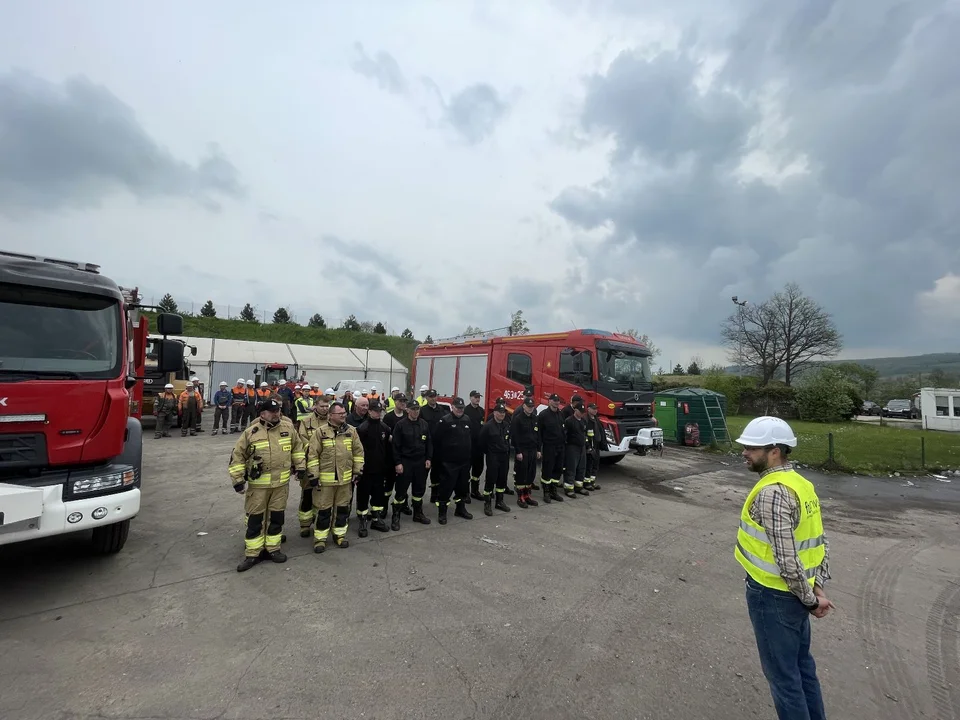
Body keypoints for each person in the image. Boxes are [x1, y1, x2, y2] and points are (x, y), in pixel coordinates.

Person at [734, 416, 833, 720]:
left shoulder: (772, 492)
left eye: (751, 447)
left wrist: (810, 600)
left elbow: (788, 559)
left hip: (774, 596)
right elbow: (818, 543)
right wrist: (816, 586)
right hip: (795, 595)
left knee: (784, 680)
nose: (744, 452)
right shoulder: (801, 484)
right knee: (803, 670)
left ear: (774, 450)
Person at [228, 399, 306, 572]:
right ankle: (253, 554)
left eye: (278, 410)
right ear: (262, 414)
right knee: (255, 520)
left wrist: (300, 466)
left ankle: (273, 549)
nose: (276, 413)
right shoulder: (251, 432)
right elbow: (237, 456)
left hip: (280, 485)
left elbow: (298, 448)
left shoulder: (288, 429)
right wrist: (238, 480)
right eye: (272, 411)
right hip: (258, 487)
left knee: (276, 518)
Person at [305, 401, 364, 553]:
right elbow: (312, 455)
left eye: (344, 413)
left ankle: (339, 535)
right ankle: (320, 539)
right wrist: (313, 475)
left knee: (342, 510)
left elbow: (358, 453)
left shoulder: (351, 431)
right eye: (340, 413)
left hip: (345, 481)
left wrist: (357, 471)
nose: (344, 415)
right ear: (331, 415)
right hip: (325, 482)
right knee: (323, 511)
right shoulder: (320, 432)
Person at [431, 397, 474, 524]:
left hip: (464, 461)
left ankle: (460, 509)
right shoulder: (445, 421)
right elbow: (436, 439)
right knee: (446, 489)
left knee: (462, 488)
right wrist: (440, 460)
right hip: (448, 462)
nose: (460, 410)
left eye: (462, 408)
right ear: (452, 407)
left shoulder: (467, 419)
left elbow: (470, 437)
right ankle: (442, 513)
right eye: (457, 408)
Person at [391, 401, 432, 529]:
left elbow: (429, 443)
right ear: (407, 410)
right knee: (401, 490)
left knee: (419, 490)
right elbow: (395, 446)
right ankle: (396, 516)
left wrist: (428, 458)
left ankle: (418, 514)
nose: (416, 411)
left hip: (420, 462)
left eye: (417, 409)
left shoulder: (424, 424)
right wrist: (398, 463)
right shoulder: (400, 425)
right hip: (406, 462)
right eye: (413, 409)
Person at [355, 399, 392, 535]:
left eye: (380, 411)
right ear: (369, 412)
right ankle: (362, 521)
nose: (378, 414)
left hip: (380, 469)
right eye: (375, 411)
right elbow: (357, 450)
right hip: (366, 470)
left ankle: (376, 519)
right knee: (363, 496)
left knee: (378, 496)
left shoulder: (385, 428)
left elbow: (388, 448)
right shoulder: (362, 429)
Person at [295, 396, 330, 537]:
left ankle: (319, 522)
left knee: (322, 496)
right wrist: (318, 449)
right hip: (310, 464)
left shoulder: (332, 421)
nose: (325, 409)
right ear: (315, 405)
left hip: (327, 465)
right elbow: (302, 441)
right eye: (322, 406)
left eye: (327, 406)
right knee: (308, 495)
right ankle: (304, 524)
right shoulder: (306, 422)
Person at [478, 399, 511, 516]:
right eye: (500, 412)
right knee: (491, 479)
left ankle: (499, 501)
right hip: (493, 457)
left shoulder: (506, 425)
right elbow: (481, 442)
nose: (502, 414)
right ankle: (487, 504)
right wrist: (490, 452)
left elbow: (508, 439)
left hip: (504, 456)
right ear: (495, 413)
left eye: (503, 412)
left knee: (502, 479)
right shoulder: (488, 426)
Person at [510, 396, 541, 508]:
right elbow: (515, 437)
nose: (530, 408)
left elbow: (538, 435)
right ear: (523, 406)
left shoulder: (534, 418)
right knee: (521, 473)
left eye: (532, 406)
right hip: (522, 451)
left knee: (531, 473)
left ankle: (527, 495)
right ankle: (520, 496)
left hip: (532, 450)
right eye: (528, 406)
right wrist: (518, 451)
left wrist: (538, 449)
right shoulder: (518, 419)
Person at [537, 394, 565, 503]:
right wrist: (538, 448)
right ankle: (546, 492)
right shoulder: (543, 415)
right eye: (554, 400)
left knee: (558, 469)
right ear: (549, 401)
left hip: (560, 447)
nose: (556, 402)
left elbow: (563, 430)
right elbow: (539, 433)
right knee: (547, 469)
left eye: (558, 401)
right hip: (549, 446)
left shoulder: (560, 414)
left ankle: (554, 491)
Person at [562, 402, 589, 498]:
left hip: (581, 447)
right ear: (575, 410)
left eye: (583, 412)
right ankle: (569, 488)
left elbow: (584, 434)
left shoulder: (583, 421)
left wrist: (587, 445)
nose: (582, 414)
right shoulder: (569, 421)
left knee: (581, 467)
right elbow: (564, 435)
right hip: (572, 447)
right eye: (580, 411)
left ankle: (578, 486)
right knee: (571, 468)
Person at [463, 390, 485, 503]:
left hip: (479, 446)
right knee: (466, 470)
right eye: (475, 397)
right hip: (468, 445)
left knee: (478, 468)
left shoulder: (482, 411)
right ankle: (465, 493)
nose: (477, 399)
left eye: (479, 397)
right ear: (470, 397)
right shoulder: (466, 411)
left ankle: (475, 491)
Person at [583, 403, 607, 490]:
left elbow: (601, 432)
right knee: (589, 464)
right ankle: (586, 483)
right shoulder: (585, 419)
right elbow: (584, 434)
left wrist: (603, 443)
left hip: (596, 445)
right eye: (593, 409)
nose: (595, 410)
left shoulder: (597, 419)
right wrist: (588, 446)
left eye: (596, 408)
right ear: (588, 409)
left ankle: (592, 481)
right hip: (590, 446)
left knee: (595, 464)